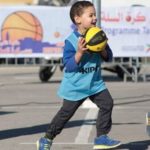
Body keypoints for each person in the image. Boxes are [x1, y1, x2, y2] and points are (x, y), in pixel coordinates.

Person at [36, 1, 121, 150]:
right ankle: (46, 139)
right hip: (75, 86)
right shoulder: (71, 41)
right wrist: (80, 53)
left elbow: (109, 57)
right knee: (65, 115)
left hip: (94, 83)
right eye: (91, 15)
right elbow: (68, 66)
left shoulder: (98, 35)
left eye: (95, 15)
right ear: (78, 19)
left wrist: (101, 49)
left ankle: (101, 138)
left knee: (107, 103)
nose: (95, 18)